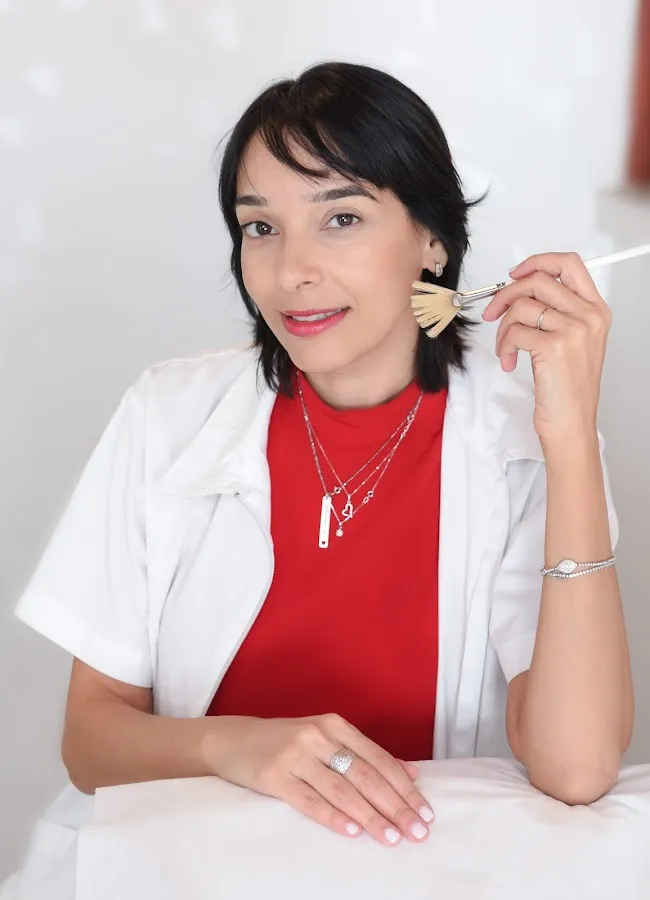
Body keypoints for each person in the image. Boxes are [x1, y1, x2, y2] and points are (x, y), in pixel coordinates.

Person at [3, 59, 634, 896]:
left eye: (341, 217)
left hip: (424, 874)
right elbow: (90, 743)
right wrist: (237, 746)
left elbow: (577, 767)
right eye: (260, 227)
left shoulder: (522, 432)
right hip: (197, 872)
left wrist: (572, 438)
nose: (291, 269)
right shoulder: (167, 414)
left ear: (433, 239)